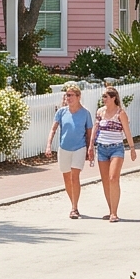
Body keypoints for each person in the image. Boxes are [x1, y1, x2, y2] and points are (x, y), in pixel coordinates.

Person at [91, 86, 136, 222]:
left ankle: (114, 213)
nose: (103, 99)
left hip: (116, 148)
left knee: (113, 178)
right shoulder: (100, 112)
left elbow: (127, 131)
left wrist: (132, 148)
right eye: (103, 97)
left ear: (113, 98)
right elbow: (95, 128)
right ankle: (111, 210)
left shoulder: (120, 113)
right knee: (105, 181)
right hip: (102, 148)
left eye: (106, 96)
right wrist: (91, 145)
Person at [49, 84, 94, 218]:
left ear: (78, 97)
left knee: (75, 177)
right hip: (64, 148)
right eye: (66, 95)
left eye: (70, 95)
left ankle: (74, 208)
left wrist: (89, 149)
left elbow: (89, 132)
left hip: (79, 148)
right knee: (66, 178)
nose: (68, 98)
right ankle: (72, 203)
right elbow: (53, 129)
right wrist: (48, 145)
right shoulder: (61, 112)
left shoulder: (85, 113)